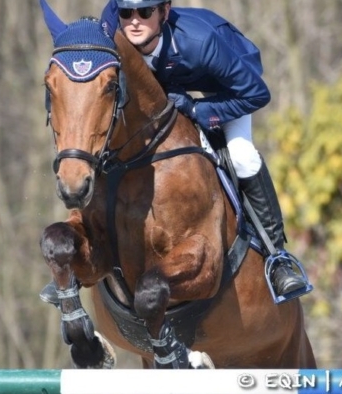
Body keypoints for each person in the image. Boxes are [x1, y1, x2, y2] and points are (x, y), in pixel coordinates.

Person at [114, 0, 313, 303]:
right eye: (126, 13)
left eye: (145, 12)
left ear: (164, 12)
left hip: (228, 86)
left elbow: (256, 93)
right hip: (170, 85)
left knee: (241, 156)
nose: (134, 21)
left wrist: (197, 108)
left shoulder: (201, 43)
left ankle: (278, 258)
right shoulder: (113, 29)